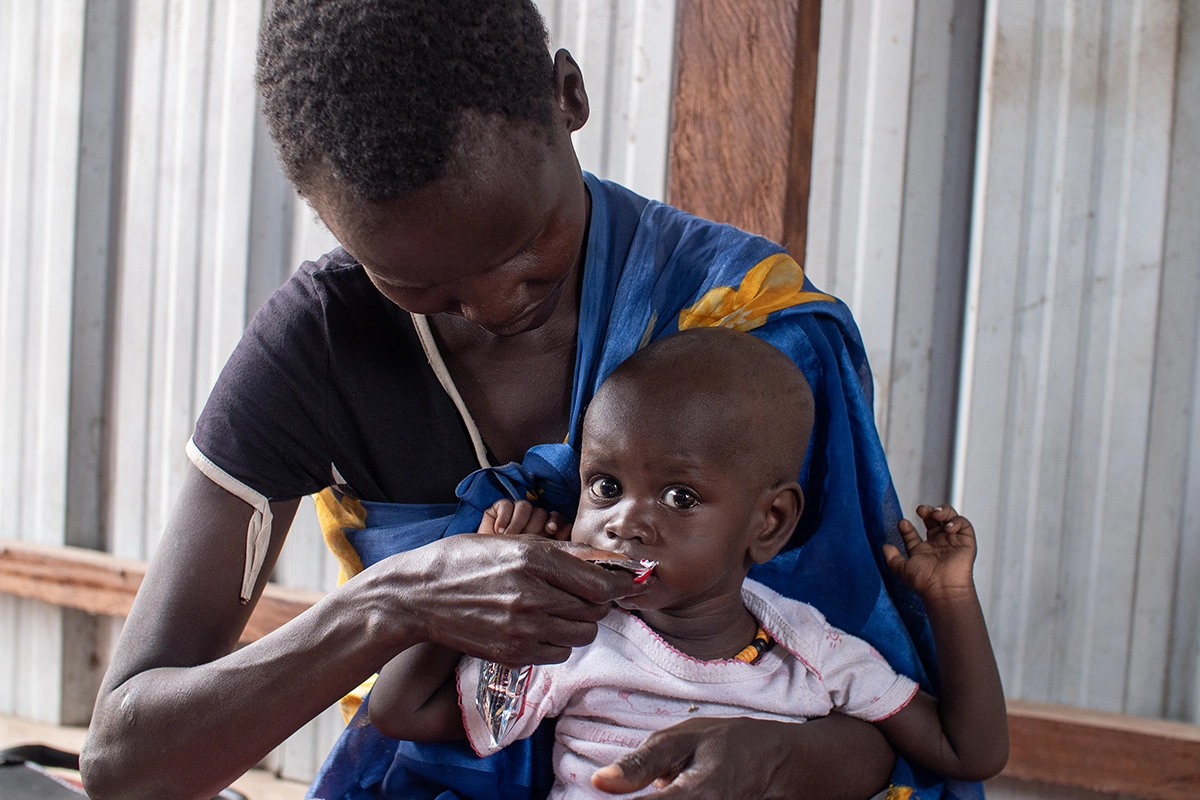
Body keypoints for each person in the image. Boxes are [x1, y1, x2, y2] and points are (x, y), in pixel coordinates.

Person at [78, 2, 973, 799]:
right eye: (421, 286)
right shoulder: (320, 350)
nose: (503, 307)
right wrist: (396, 603)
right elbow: (130, 764)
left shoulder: (747, 335)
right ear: (332, 222)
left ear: (568, 94)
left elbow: (896, 730)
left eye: (529, 244)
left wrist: (783, 760)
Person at [367, 329, 1009, 798]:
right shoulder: (568, 642)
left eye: (680, 497)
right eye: (605, 487)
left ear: (770, 523)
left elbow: (969, 751)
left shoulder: (808, 650)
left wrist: (951, 601)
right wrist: (475, 567)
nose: (625, 523)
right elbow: (399, 712)